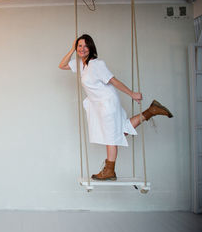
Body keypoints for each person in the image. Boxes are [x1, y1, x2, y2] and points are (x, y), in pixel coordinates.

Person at [59, 34, 173, 180]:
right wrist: (71, 49)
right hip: (98, 105)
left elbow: (113, 81)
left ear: (91, 48)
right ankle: (151, 111)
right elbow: (61, 65)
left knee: (111, 137)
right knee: (118, 133)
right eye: (79, 46)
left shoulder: (96, 64)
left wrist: (132, 94)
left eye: (85, 46)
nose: (82, 49)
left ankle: (109, 171)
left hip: (107, 103)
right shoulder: (80, 64)